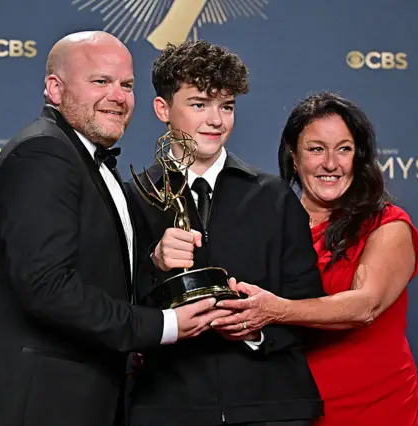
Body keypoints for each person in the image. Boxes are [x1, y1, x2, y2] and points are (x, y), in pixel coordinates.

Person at [0, 31, 232, 426]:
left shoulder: (84, 159)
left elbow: (95, 273)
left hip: (69, 394)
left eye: (126, 84)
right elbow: (47, 287)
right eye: (100, 81)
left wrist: (155, 264)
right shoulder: (43, 153)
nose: (117, 96)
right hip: (26, 398)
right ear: (55, 89)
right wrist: (164, 325)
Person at [124, 40, 326, 426]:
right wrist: (153, 262)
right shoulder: (132, 196)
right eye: (199, 104)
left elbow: (310, 306)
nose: (216, 120)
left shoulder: (275, 197)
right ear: (162, 109)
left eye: (227, 106)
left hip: (271, 407)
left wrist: (256, 330)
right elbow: (107, 309)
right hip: (169, 408)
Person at [214, 92, 418, 425]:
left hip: (375, 407)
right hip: (289, 408)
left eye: (344, 149)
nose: (331, 163)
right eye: (316, 149)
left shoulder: (387, 224)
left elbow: (365, 306)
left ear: (359, 156)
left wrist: (275, 310)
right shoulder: (269, 226)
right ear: (293, 156)